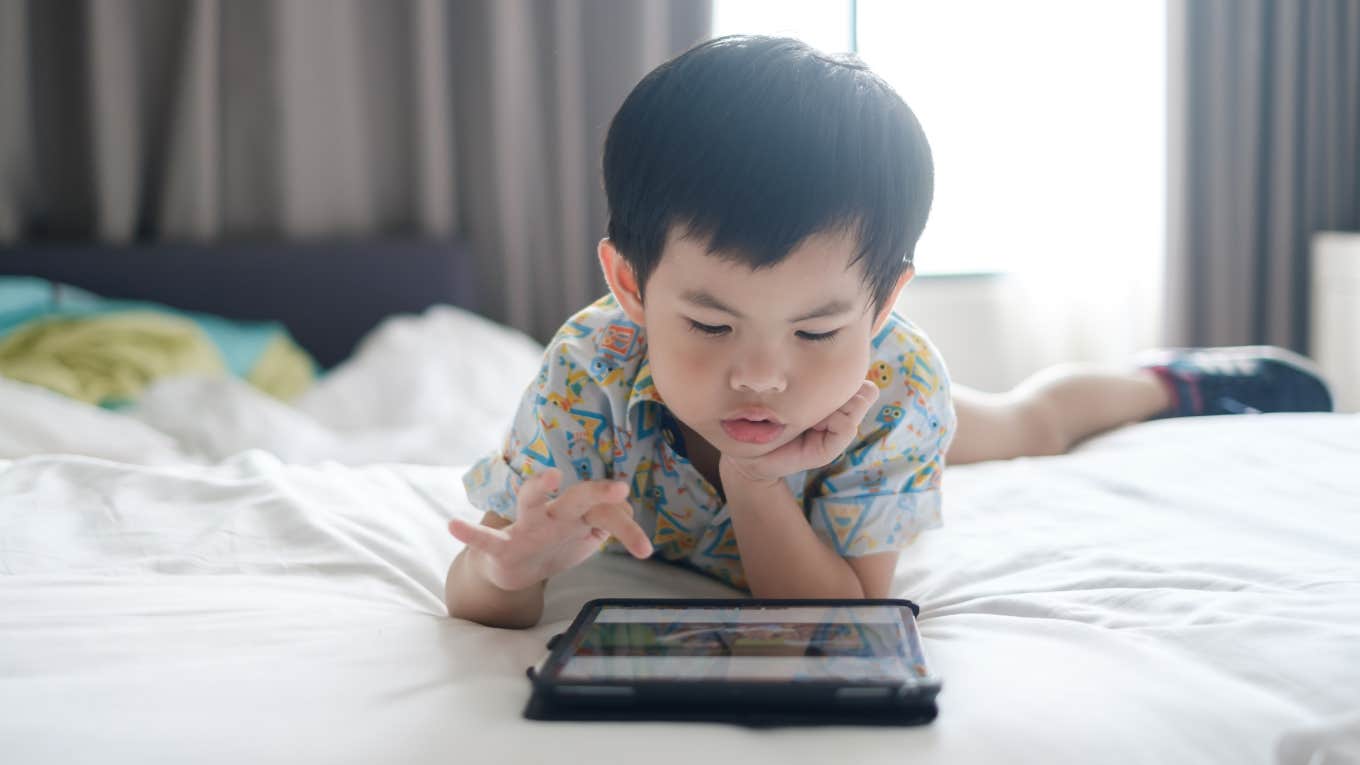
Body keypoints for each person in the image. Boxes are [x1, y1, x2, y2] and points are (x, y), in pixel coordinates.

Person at [443, 36, 1332, 629]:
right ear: (629, 286)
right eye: (710, 323)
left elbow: (845, 610)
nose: (761, 376)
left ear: (883, 305)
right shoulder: (588, 369)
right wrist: (511, 574)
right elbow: (485, 585)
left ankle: (1167, 383)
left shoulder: (898, 384)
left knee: (1028, 425)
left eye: (819, 327)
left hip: (861, 426)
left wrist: (755, 481)